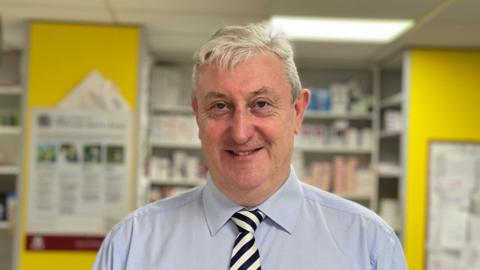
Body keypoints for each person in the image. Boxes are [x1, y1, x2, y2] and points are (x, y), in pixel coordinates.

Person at [92, 22, 407, 270]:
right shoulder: (131, 245)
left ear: (298, 112)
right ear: (197, 117)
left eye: (261, 104)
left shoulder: (368, 244)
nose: (240, 132)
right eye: (219, 106)